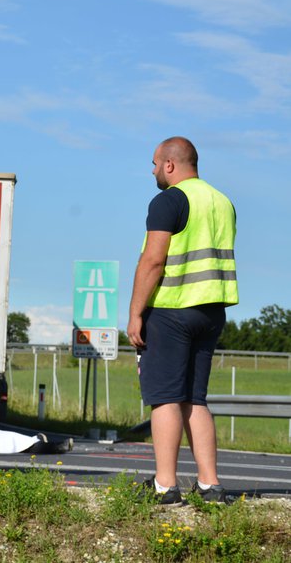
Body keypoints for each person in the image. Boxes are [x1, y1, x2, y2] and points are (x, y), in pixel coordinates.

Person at [127, 136, 238, 504]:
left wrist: (135, 313)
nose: (153, 170)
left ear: (170, 164)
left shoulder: (169, 200)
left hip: (173, 308)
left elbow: (153, 260)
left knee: (165, 398)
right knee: (196, 399)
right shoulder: (223, 202)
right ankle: (210, 485)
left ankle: (165, 485)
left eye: (155, 163)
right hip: (211, 311)